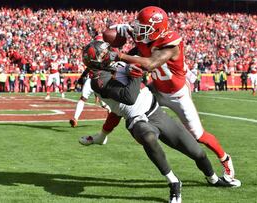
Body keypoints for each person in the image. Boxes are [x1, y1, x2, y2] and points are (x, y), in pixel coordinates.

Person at [79, 41, 240, 203]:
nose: (109, 53)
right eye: (103, 53)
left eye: (107, 50)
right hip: (137, 119)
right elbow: (129, 97)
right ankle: (174, 182)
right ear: (96, 61)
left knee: (197, 153)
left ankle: (213, 179)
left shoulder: (114, 62)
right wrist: (136, 75)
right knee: (148, 137)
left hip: (155, 111)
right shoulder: (98, 79)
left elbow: (141, 50)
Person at [109, 6, 238, 183]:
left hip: (177, 94)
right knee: (127, 105)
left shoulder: (171, 43)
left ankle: (225, 158)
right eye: (139, 27)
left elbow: (150, 63)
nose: (139, 31)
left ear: (157, 30)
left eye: (143, 28)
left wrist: (120, 55)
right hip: (156, 88)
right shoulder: (146, 34)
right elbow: (121, 37)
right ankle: (104, 135)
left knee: (198, 136)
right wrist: (118, 30)